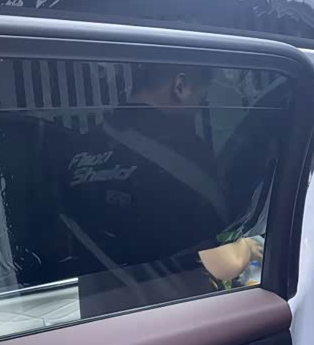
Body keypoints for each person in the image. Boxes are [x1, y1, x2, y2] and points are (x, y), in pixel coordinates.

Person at [55, 62, 265, 318]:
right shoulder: (183, 153)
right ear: (180, 86)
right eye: (202, 97)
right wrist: (248, 246)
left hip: (102, 322)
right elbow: (223, 264)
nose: (200, 108)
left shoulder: (81, 149)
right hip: (174, 323)